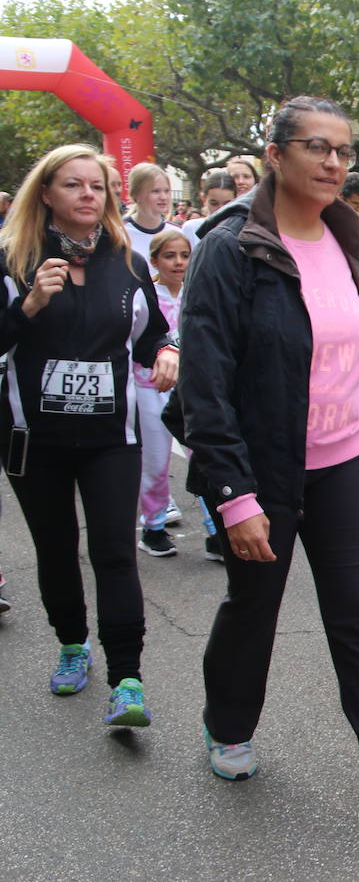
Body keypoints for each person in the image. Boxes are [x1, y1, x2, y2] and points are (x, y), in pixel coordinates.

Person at [177, 96, 359, 838]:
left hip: (345, 462)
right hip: (263, 468)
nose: (335, 162)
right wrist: (234, 497)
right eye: (316, 147)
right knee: (254, 608)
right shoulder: (230, 247)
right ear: (275, 154)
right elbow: (205, 383)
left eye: (344, 149)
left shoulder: (346, 235)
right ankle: (227, 722)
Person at [0, 142, 176, 726]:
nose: (87, 196)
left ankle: (128, 678)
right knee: (56, 551)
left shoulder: (127, 262)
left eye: (96, 186)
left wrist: (169, 352)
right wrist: (28, 305)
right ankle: (72, 646)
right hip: (34, 439)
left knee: (114, 553)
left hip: (110, 438)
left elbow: (150, 338)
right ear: (46, 194)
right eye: (73, 185)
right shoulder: (13, 259)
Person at [136, 229, 191, 558]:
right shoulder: (147, 295)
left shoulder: (195, 293)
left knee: (204, 455)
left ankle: (216, 529)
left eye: (184, 255)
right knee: (155, 460)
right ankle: (153, 526)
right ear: (154, 260)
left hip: (189, 388)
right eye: (169, 256)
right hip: (149, 387)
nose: (178, 262)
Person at [122, 163, 172, 260]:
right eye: (155, 191)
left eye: (166, 191)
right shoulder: (119, 233)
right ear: (137, 194)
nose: (163, 197)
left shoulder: (177, 232)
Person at [180, 171, 236, 250]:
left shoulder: (242, 230)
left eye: (227, 204)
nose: (220, 210)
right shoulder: (191, 228)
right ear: (204, 199)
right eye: (214, 203)